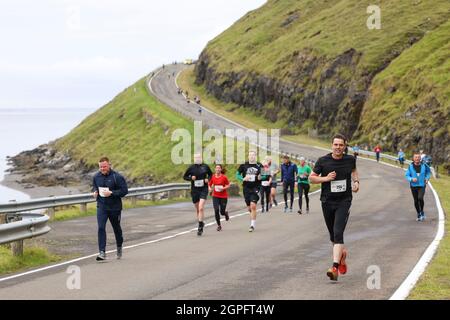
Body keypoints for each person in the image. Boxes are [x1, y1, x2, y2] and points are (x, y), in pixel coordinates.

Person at [309, 134, 359, 281]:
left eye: (341, 145)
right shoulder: (323, 161)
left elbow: (354, 171)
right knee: (333, 237)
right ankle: (342, 256)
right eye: (335, 145)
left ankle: (334, 267)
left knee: (338, 233)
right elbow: (311, 177)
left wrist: (356, 182)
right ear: (332, 146)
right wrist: (325, 178)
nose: (338, 147)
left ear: (345, 146)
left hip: (344, 201)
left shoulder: (350, 159)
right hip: (327, 201)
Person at [92, 157, 128, 261]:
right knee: (101, 228)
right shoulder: (96, 177)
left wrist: (112, 193)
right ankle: (102, 252)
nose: (102, 168)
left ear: (109, 165)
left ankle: (119, 247)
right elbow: (94, 187)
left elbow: (124, 191)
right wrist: (95, 192)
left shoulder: (117, 177)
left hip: (115, 208)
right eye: (100, 167)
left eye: (104, 166)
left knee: (116, 229)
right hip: (101, 207)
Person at [183, 154, 212, 236]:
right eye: (196, 158)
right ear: (194, 159)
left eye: (199, 157)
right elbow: (184, 177)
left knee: (201, 207)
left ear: (202, 158)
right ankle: (201, 221)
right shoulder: (191, 167)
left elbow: (211, 174)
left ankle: (200, 227)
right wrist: (191, 178)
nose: (198, 159)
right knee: (198, 209)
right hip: (195, 190)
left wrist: (208, 179)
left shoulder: (205, 166)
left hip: (204, 189)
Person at [236, 150, 262, 232]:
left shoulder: (259, 165)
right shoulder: (243, 165)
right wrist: (243, 178)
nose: (252, 156)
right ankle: (252, 216)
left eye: (253, 155)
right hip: (246, 188)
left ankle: (252, 225)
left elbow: (265, 175)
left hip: (256, 187)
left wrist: (261, 177)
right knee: (249, 208)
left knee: (253, 206)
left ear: (256, 156)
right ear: (248, 156)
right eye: (250, 155)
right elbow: (237, 175)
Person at [405, 152, 431, 222]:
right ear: (413, 159)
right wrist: (411, 179)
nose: (417, 158)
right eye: (416, 157)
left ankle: (422, 211)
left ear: (420, 158)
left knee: (420, 198)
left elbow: (428, 172)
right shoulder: (410, 166)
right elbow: (407, 175)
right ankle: (418, 214)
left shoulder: (424, 165)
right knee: (416, 200)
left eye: (418, 157)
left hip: (422, 185)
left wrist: (427, 178)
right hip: (413, 185)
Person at [208, 164, 231, 231]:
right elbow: (209, 184)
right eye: (216, 168)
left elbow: (228, 185)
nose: (217, 169)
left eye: (219, 168)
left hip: (223, 196)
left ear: (221, 169)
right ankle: (219, 225)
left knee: (222, 212)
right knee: (216, 210)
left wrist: (223, 188)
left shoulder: (224, 177)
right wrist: (210, 189)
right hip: (215, 196)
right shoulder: (213, 177)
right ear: (215, 169)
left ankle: (225, 213)